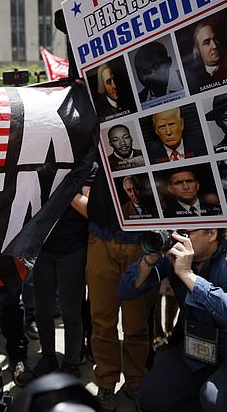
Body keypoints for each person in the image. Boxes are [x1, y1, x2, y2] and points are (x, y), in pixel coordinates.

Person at [118, 228, 227, 411]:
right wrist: (149, 259)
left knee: (214, 399)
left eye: (184, 232)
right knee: (151, 395)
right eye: (173, 231)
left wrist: (188, 276)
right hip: (198, 346)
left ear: (211, 234)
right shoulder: (174, 257)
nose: (175, 237)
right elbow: (126, 291)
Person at [84, 160, 157, 411]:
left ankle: (136, 381)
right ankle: (106, 381)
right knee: (102, 319)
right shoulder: (94, 133)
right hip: (100, 236)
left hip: (141, 241)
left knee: (137, 321)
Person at [31, 166, 94, 379]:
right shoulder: (39, 166)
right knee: (43, 310)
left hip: (73, 250)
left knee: (71, 312)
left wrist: (64, 187)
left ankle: (71, 362)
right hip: (43, 249)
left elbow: (89, 210)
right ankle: (48, 356)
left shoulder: (87, 168)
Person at [186, 20, 227, 94]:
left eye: (215, 39)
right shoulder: (194, 80)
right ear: (198, 50)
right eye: (207, 42)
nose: (214, 46)